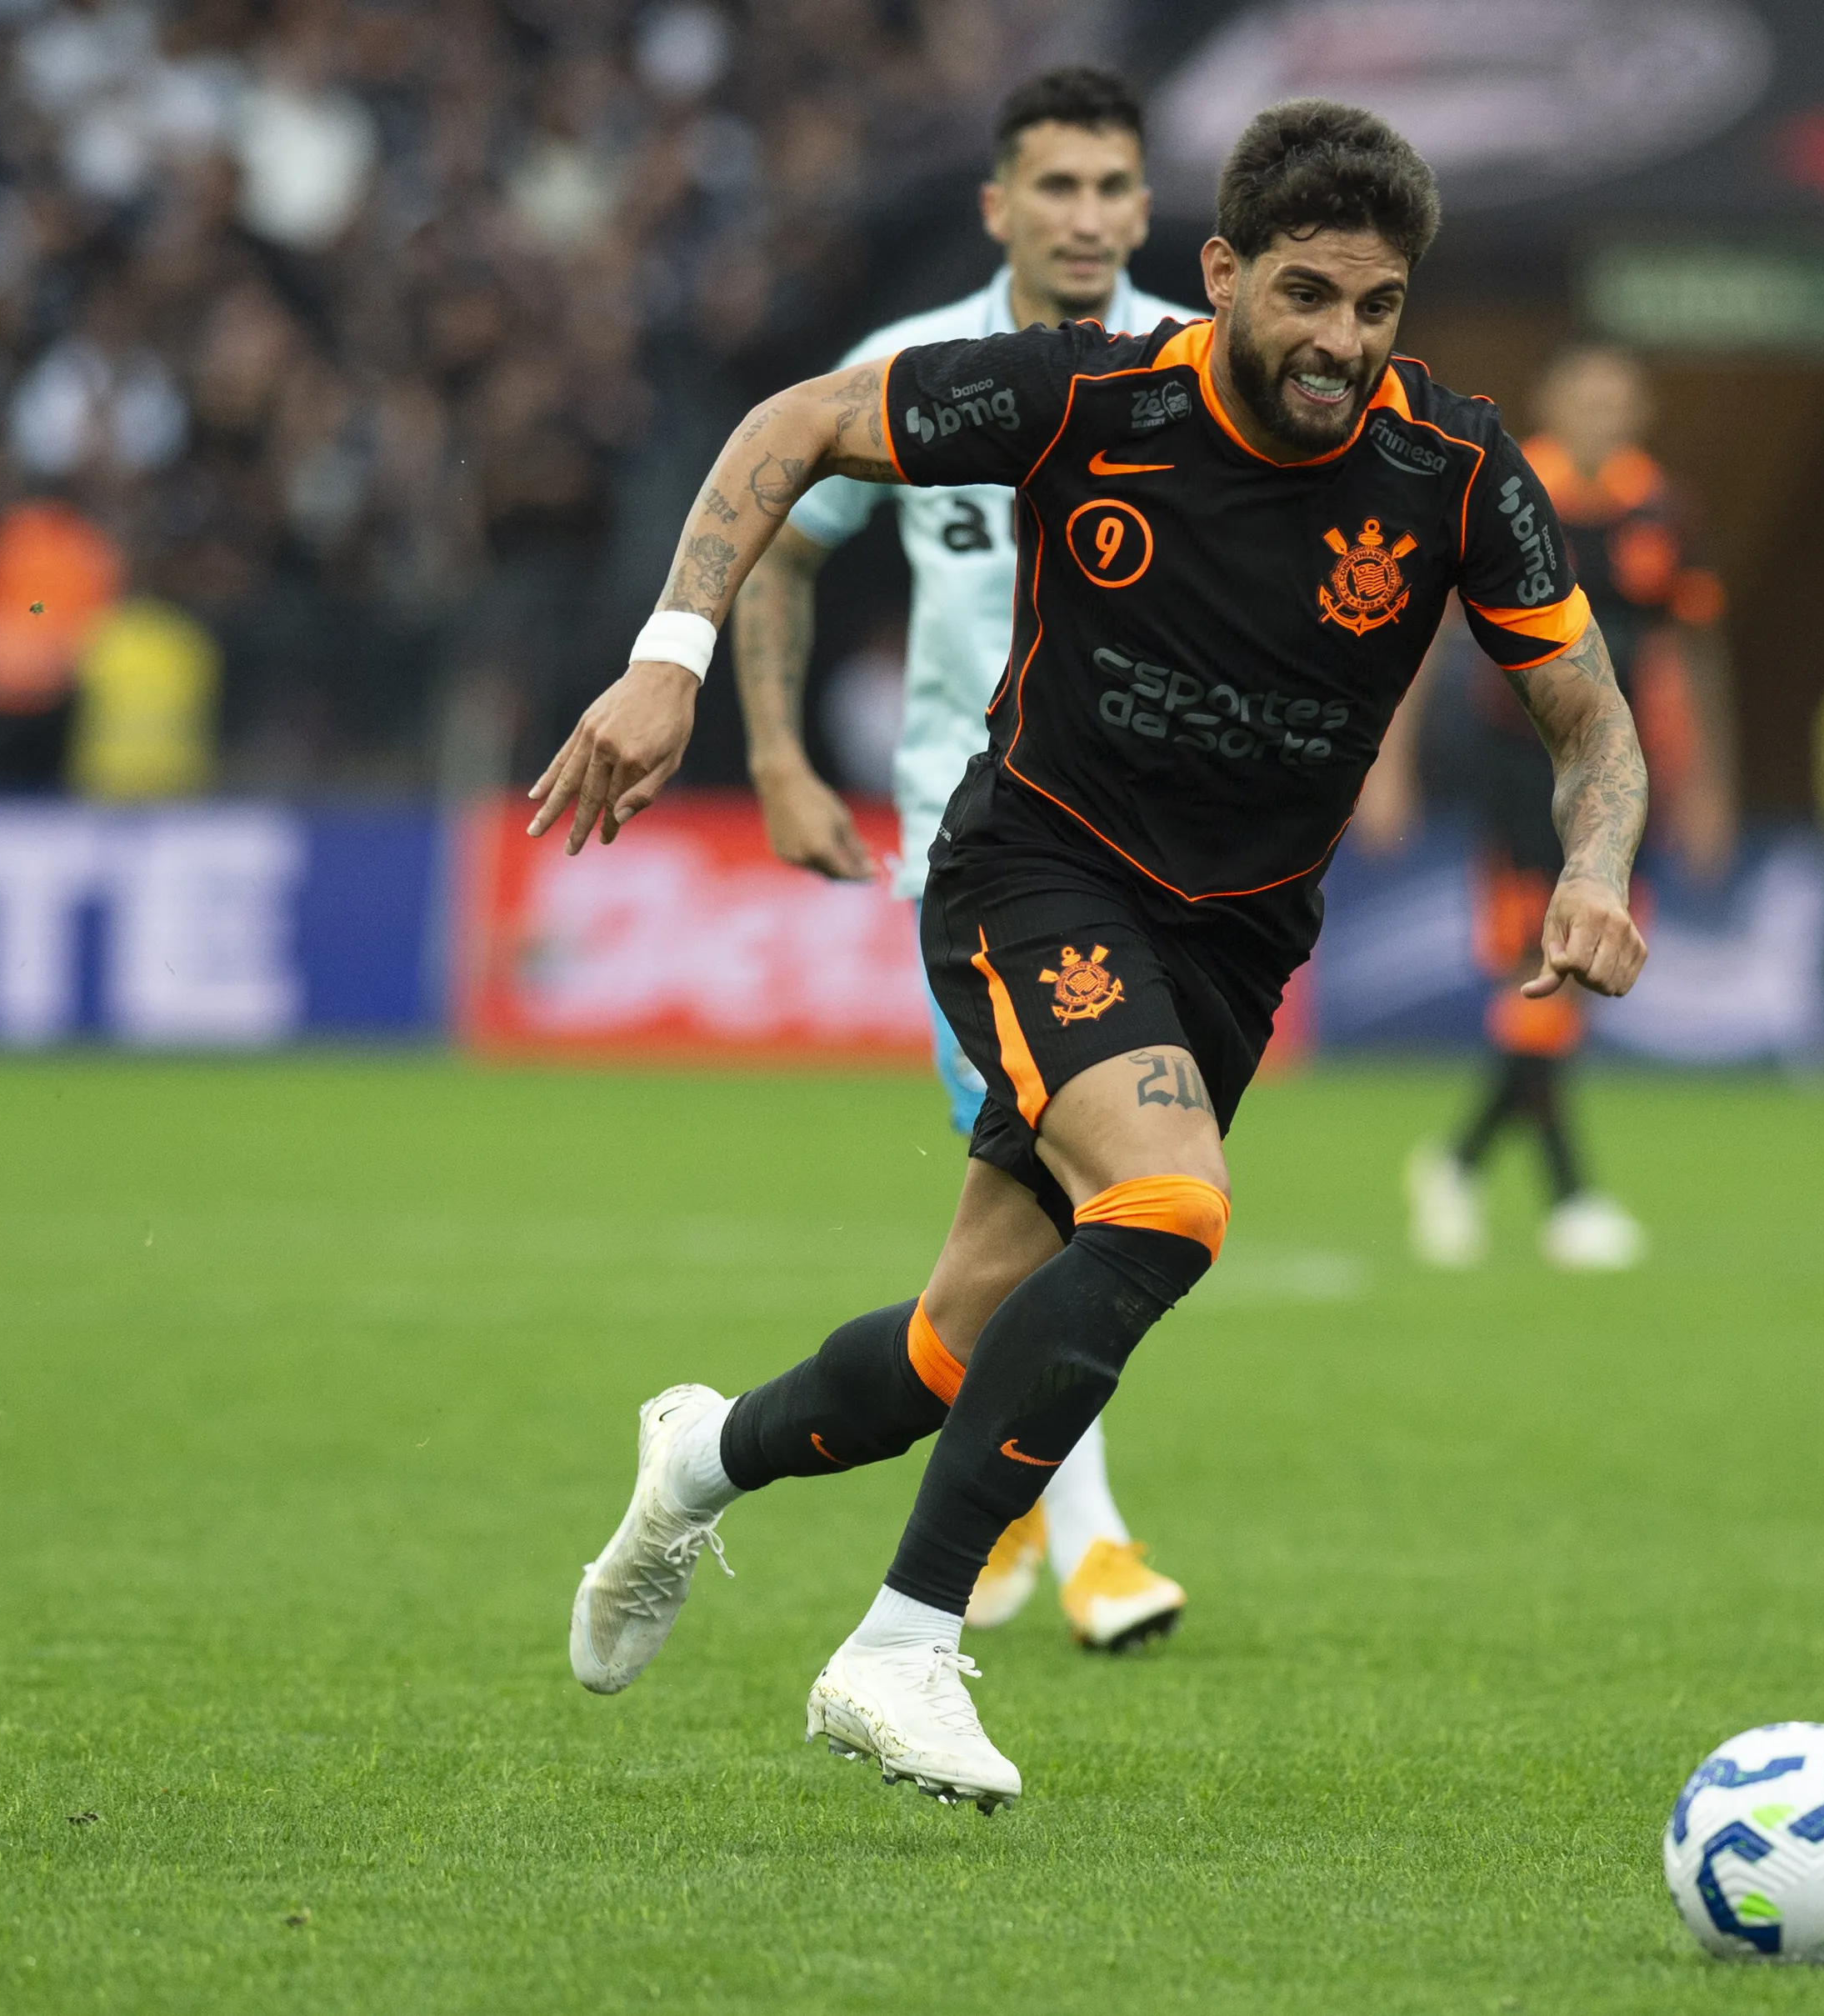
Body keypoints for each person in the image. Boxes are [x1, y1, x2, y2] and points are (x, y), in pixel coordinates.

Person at [533, 100, 1649, 1811]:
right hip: (1034, 869)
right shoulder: (1089, 393)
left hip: (1236, 943)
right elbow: (799, 422)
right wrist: (669, 656)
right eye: (1303, 296)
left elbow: (1586, 717)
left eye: (1375, 307)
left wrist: (1596, 858)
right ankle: (901, 1644)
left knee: (942, 1349)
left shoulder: (1455, 464)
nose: (1340, 343)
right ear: (1216, 275)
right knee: (1169, 1206)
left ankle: (695, 1458)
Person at [730, 66, 1196, 1655]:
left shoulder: (1190, 371)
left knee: (1061, 1206)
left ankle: (985, 1520)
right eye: (1054, 186)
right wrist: (780, 753)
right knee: (1090, 1186)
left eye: (1112, 188)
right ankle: (1092, 1542)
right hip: (979, 840)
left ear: (1147, 209)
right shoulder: (909, 370)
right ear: (998, 204)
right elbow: (785, 542)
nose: (1085, 216)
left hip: (1163, 853)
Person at [1359, 343, 1730, 1271]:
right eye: (1585, 393)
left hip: (1620, 774)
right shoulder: (1504, 490)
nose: (1601, 410)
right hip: (1516, 762)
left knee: (1578, 972)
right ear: (1553, 400)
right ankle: (1566, 1199)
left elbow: (1694, 653)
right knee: (1541, 963)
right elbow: (1424, 631)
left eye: (1618, 395)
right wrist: (1387, 766)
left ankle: (1459, 1163)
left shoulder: (1664, 513)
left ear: (1638, 409)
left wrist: (1710, 785)